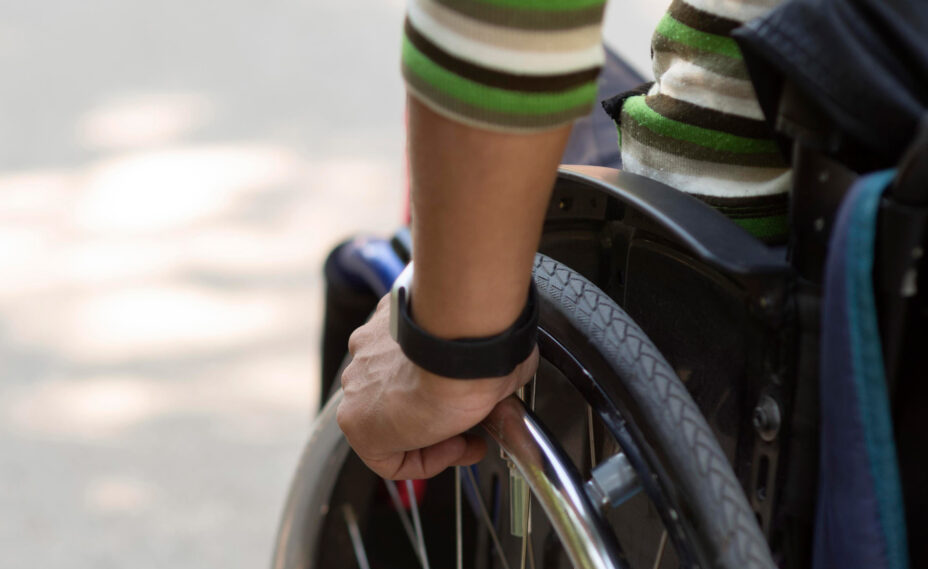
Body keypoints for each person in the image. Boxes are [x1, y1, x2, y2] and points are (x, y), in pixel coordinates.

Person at [336, 0, 791, 480]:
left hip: (699, 277)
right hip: (821, 301)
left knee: (491, 67)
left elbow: (510, 16)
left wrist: (449, 355)